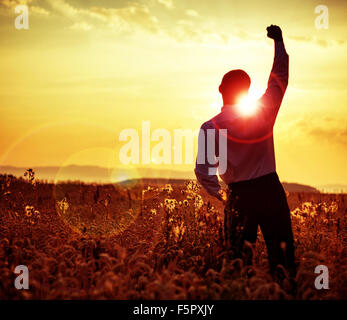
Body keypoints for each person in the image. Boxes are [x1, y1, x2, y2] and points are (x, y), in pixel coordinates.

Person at [194, 25, 296, 276]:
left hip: (239, 196)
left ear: (220, 89)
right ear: (248, 91)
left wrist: (222, 195)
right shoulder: (264, 113)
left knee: (237, 262)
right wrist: (278, 42)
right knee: (282, 258)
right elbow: (280, 77)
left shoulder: (210, 126)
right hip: (271, 189)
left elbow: (203, 172)